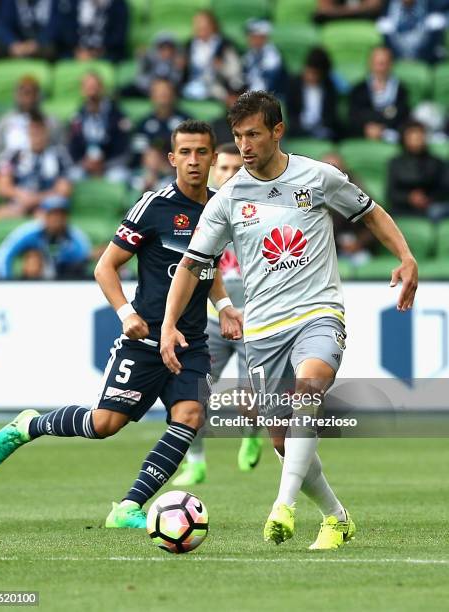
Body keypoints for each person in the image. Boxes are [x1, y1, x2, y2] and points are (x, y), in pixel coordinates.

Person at [160, 91, 418, 550]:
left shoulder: (317, 177)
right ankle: (336, 517)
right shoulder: (229, 197)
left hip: (318, 312)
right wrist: (168, 323)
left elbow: (371, 212)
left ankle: (282, 505)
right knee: (281, 438)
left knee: (310, 388)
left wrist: (405, 256)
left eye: (253, 134)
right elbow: (192, 264)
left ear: (277, 131)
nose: (244, 145)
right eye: (238, 136)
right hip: (263, 329)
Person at [0, 120, 243, 531]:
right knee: (104, 425)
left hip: (190, 342)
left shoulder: (219, 209)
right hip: (143, 340)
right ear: (172, 158)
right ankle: (29, 424)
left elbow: (203, 266)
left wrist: (225, 305)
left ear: (213, 158)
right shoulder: (153, 206)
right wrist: (127, 314)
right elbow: (105, 267)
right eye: (186, 153)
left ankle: (128, 506)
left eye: (202, 153)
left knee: (190, 416)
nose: (194, 161)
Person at [173, 142, 262, 486]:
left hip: (255, 321)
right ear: (213, 170)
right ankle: (195, 462)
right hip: (209, 321)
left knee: (248, 401)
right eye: (223, 168)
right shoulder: (200, 211)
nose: (230, 175)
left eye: (237, 168)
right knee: (192, 395)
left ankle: (252, 432)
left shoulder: (259, 209)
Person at [0, 111, 72, 220]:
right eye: (34, 132)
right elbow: (2, 186)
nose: (37, 137)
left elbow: (63, 191)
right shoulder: (13, 154)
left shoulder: (60, 155)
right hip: (19, 203)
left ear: (47, 132)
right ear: (27, 132)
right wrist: (21, 195)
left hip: (47, 207)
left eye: (41, 131)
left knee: (48, 218)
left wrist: (36, 199)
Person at [0, 195, 91, 279]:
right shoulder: (29, 232)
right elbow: (4, 255)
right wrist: (7, 281)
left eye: (61, 214)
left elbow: (84, 260)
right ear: (44, 215)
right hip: (30, 283)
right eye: (52, 214)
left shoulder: (76, 238)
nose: (56, 219)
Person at [68, 72, 131, 183]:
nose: (92, 91)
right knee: (71, 176)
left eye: (94, 86)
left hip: (110, 165)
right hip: (85, 165)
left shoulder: (116, 114)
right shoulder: (77, 117)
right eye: (88, 87)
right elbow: (72, 145)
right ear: (82, 90)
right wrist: (83, 162)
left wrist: (105, 164)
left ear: (102, 88)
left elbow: (124, 146)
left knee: (120, 177)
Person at [0, 76, 62, 168]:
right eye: (25, 93)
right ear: (16, 95)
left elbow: (61, 150)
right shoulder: (3, 122)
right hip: (11, 174)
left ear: (39, 95)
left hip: (45, 172)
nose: (29, 99)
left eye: (33, 93)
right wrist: (5, 170)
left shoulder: (52, 122)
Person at [322, 151, 376, 266]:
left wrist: (358, 243)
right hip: (329, 249)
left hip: (359, 248)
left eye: (335, 167)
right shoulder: (313, 193)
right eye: (326, 167)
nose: (330, 172)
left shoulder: (358, 191)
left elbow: (374, 223)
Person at [388, 119, 449, 220]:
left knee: (437, 210)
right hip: (403, 208)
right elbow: (391, 193)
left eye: (420, 134)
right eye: (412, 135)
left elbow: (444, 189)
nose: (417, 139)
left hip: (432, 206)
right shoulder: (395, 163)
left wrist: (427, 199)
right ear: (404, 138)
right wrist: (409, 198)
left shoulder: (437, 162)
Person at [348, 46, 410, 142]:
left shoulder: (401, 90)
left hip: (393, 135)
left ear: (391, 64)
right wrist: (368, 128)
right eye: (377, 63)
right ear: (370, 64)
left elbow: (402, 115)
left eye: (384, 63)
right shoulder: (358, 89)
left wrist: (382, 129)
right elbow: (354, 116)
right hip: (362, 134)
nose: (380, 68)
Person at [182, 9, 244, 102]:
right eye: (197, 23)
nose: (200, 26)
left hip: (219, 88)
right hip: (193, 87)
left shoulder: (224, 45)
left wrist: (222, 67)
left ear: (212, 25)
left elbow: (235, 71)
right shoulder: (189, 45)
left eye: (203, 23)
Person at [130, 78, 190, 169]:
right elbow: (137, 154)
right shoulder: (144, 124)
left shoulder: (186, 123)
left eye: (166, 91)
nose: (162, 95)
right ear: (152, 96)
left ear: (173, 94)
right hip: (149, 172)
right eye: (158, 92)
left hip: (177, 172)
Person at [285, 47, 340, 141]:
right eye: (308, 71)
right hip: (298, 131)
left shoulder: (330, 88)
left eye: (314, 73)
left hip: (323, 131)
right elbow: (291, 113)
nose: (310, 76)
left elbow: (331, 116)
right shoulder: (294, 84)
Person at [56, 0, 129, 62]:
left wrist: (96, 52)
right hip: (76, 51)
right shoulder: (73, 4)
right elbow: (66, 31)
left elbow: (118, 37)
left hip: (107, 53)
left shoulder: (118, 5)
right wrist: (78, 50)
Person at [377, 0, 446, 64]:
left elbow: (434, 42)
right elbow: (387, 42)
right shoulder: (388, 7)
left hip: (426, 60)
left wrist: (417, 57)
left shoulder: (431, 6)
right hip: (397, 59)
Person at [121, 32, 185, 98]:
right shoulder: (149, 58)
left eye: (169, 48)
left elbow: (176, 81)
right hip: (147, 89)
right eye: (162, 48)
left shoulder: (177, 62)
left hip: (167, 92)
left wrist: (179, 69)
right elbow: (141, 77)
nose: (166, 51)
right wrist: (142, 59)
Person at [242, 19, 285, 95]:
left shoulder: (273, 56)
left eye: (257, 37)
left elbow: (268, 82)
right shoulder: (249, 54)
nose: (253, 40)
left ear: (264, 38)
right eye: (252, 37)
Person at [313, 0, 383, 22]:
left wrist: (340, 11)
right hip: (335, 24)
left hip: (366, 23)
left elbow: (373, 6)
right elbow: (324, 9)